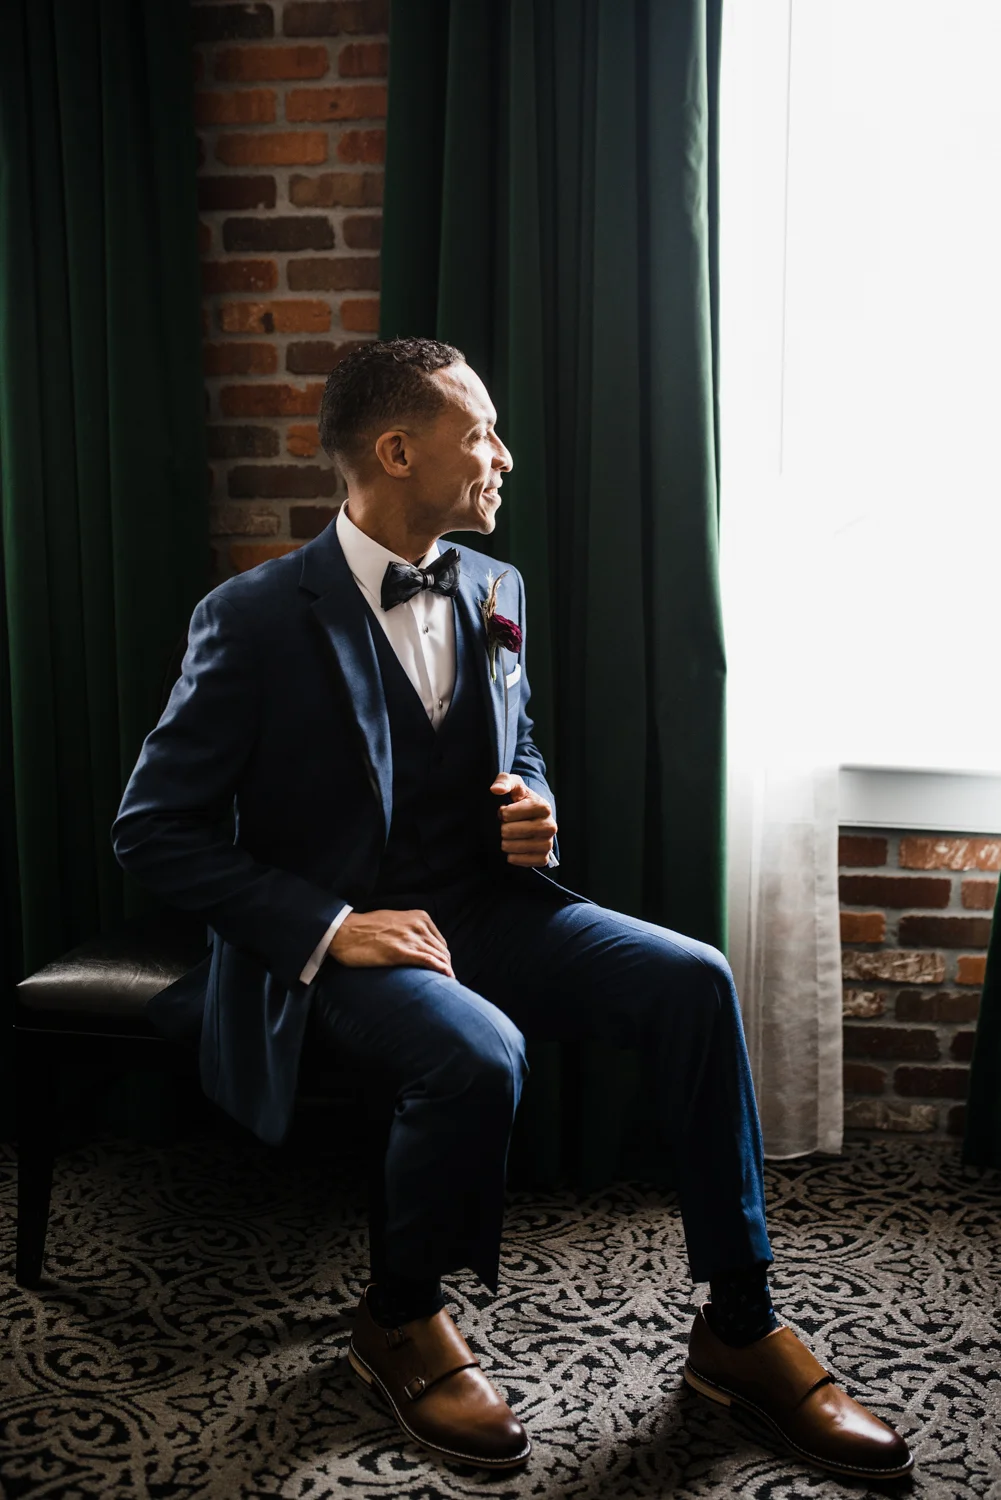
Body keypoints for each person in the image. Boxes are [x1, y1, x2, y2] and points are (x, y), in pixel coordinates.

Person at [113, 337, 913, 1480]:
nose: (502, 453)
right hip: (346, 947)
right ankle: (396, 1317)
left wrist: (530, 796)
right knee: (478, 1055)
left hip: (492, 906)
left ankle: (736, 1327)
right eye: (477, 430)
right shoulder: (249, 619)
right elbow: (150, 831)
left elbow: (516, 735)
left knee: (694, 977)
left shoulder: (494, 586)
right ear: (396, 450)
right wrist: (336, 930)